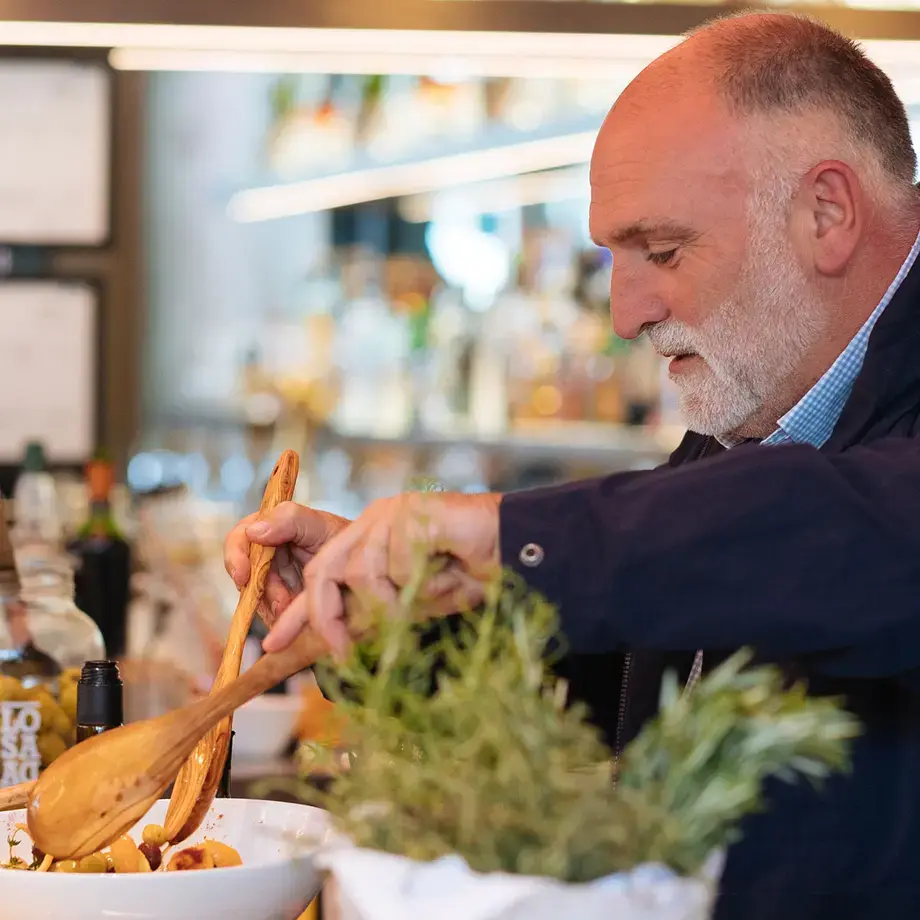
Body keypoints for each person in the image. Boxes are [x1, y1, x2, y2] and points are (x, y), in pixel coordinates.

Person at [225, 12, 920, 920]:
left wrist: (510, 535)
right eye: (613, 260)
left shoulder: (824, 466)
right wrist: (397, 617)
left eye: (662, 252)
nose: (627, 313)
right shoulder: (758, 405)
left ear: (825, 212)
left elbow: (855, 533)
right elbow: (583, 704)